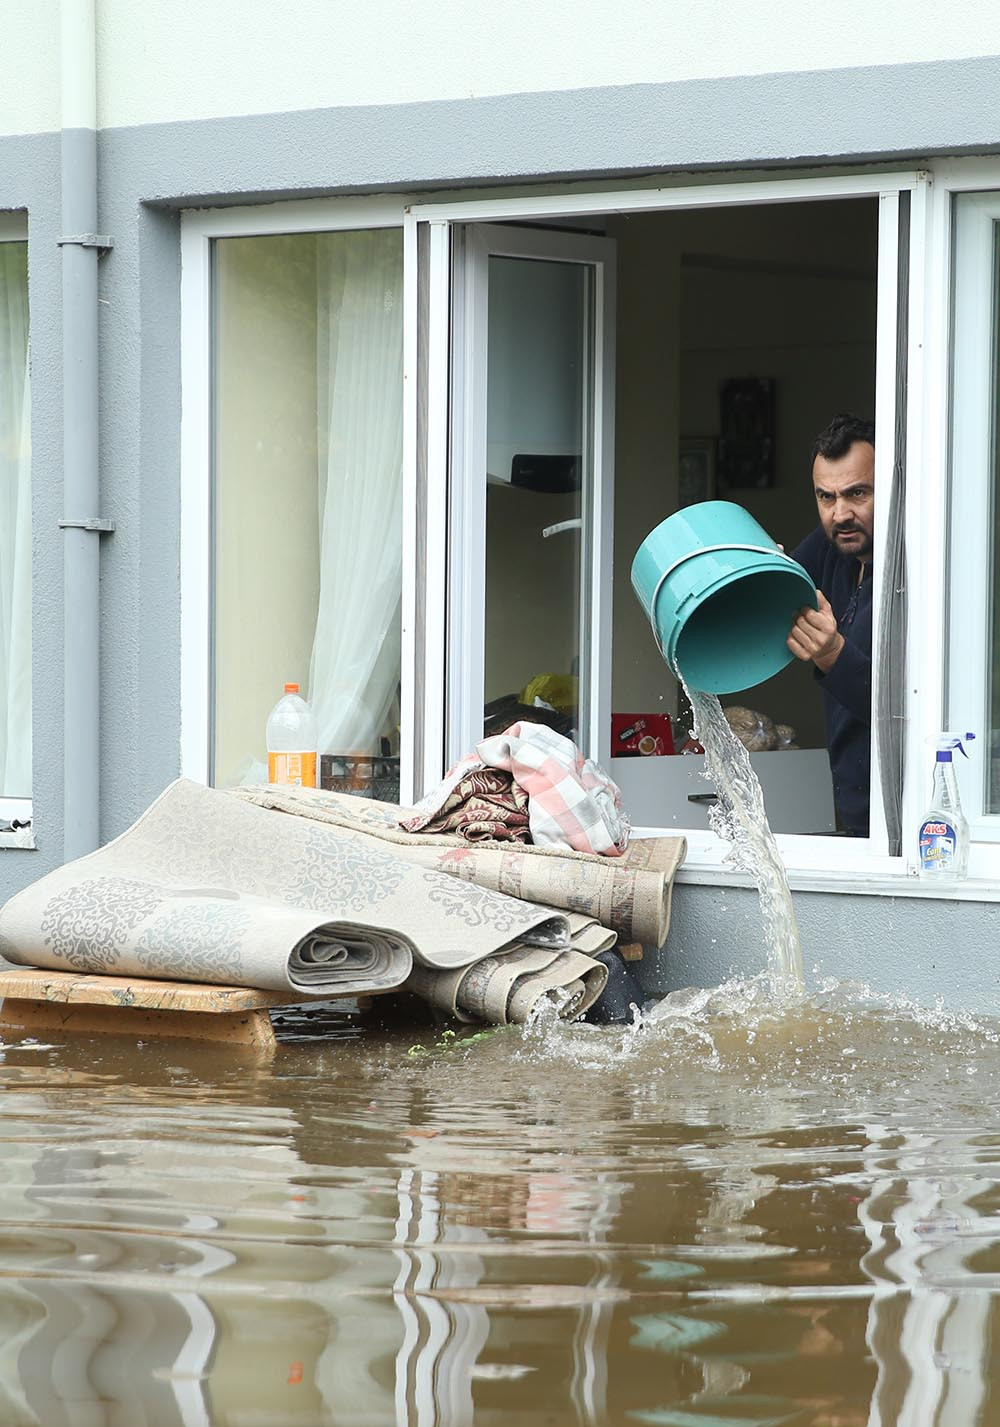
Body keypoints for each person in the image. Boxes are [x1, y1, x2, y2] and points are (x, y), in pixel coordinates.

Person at [787, 413, 874, 837]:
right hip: (853, 815)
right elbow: (774, 586)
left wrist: (833, 655)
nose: (841, 514)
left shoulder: (920, 572)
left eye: (857, 493)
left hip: (915, 823)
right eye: (826, 497)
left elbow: (905, 711)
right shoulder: (831, 547)